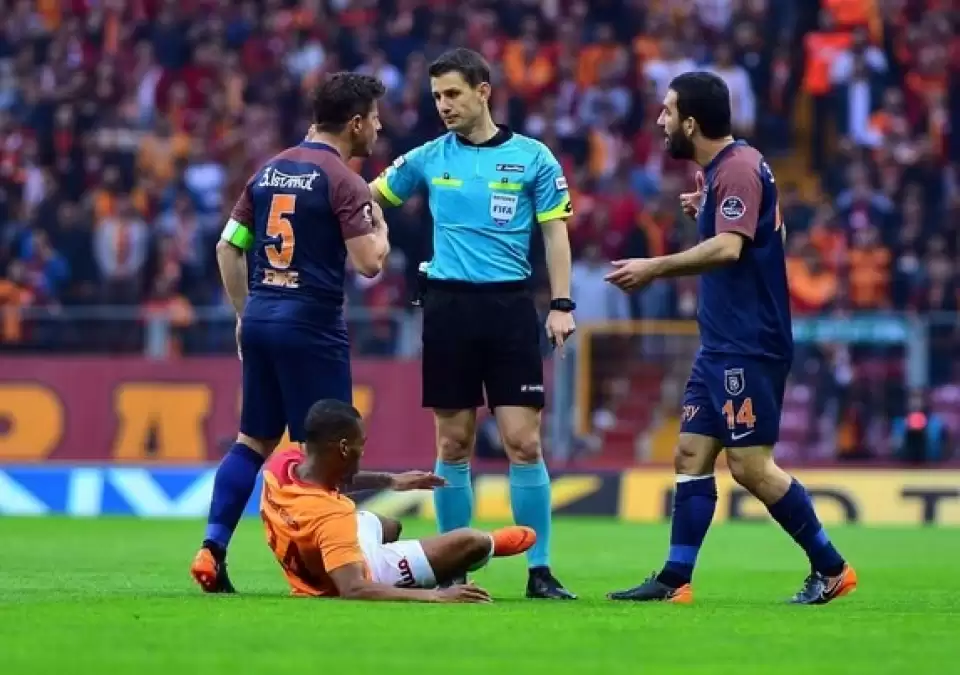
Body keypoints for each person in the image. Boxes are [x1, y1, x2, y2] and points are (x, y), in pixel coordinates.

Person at [605, 72, 858, 605]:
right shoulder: (729, 169)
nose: (661, 120)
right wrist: (710, 212)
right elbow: (772, 231)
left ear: (691, 123)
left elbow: (729, 249)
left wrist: (653, 267)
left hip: (750, 342)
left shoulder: (738, 169)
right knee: (690, 453)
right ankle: (674, 580)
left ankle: (832, 568)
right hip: (721, 343)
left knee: (750, 466)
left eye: (668, 111)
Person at [369, 48, 577, 599]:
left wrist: (562, 304)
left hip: (510, 309)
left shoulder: (533, 158)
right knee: (454, 443)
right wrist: (370, 232)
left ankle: (539, 570)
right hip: (448, 309)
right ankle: (452, 566)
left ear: (483, 91)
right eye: (437, 96)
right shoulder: (427, 157)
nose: (444, 105)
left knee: (523, 443)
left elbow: (555, 232)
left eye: (453, 94)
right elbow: (366, 198)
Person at [191, 73, 392, 593]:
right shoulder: (344, 181)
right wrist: (382, 231)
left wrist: (244, 314)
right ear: (355, 123)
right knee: (329, 450)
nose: (378, 128)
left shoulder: (268, 172)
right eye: (374, 119)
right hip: (312, 325)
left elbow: (226, 248)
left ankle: (213, 547)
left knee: (253, 440)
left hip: (262, 317)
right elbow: (369, 263)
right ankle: (324, 566)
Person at [261, 399, 538, 602]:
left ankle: (417, 563)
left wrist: (390, 481)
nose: (363, 450)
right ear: (344, 447)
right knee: (472, 541)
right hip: (361, 573)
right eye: (361, 443)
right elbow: (353, 588)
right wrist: (436, 596)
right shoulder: (333, 516)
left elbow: (333, 477)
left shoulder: (281, 466)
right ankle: (487, 546)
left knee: (388, 525)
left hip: (316, 548)